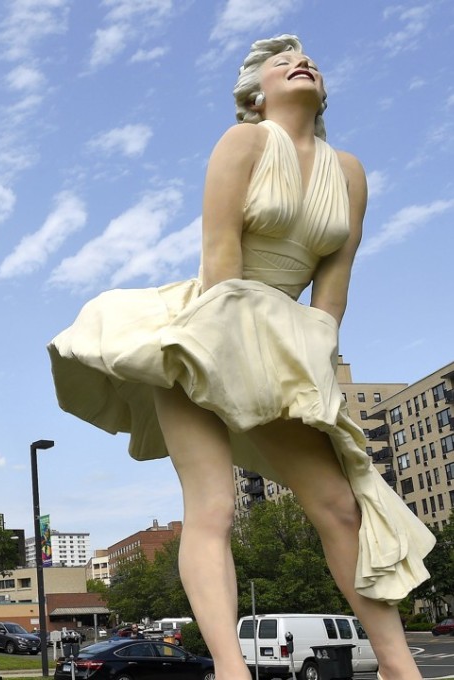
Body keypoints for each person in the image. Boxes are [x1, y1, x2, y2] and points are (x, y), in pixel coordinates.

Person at [48, 34, 434, 680]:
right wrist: (229, 362)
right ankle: (232, 669)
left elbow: (333, 290)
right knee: (214, 507)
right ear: (257, 96)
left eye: (308, 61)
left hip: (284, 341)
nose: (300, 63)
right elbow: (220, 256)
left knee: (340, 506)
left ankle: (400, 668)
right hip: (204, 334)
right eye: (282, 63)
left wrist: (316, 372)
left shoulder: (348, 172)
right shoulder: (245, 143)